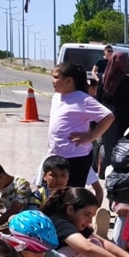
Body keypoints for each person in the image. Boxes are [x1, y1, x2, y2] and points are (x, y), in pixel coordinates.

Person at [46, 62, 114, 190]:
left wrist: (90, 137)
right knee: (54, 194)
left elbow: (108, 117)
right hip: (55, 156)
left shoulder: (83, 99)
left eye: (56, 77)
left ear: (68, 81)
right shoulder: (56, 97)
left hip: (75, 158)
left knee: (71, 196)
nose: (52, 81)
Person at [97, 49, 129, 167]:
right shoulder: (128, 81)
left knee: (107, 145)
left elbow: (98, 100)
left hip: (105, 117)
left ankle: (105, 168)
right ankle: (114, 169)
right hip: (121, 118)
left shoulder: (103, 79)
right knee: (118, 147)